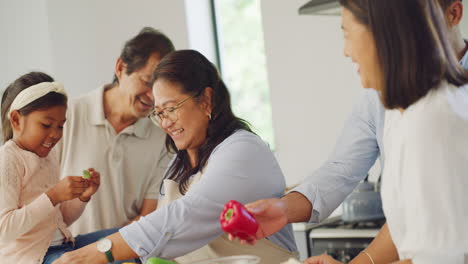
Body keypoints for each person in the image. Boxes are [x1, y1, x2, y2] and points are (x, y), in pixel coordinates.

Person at [241, 0, 468, 250]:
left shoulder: (435, 119)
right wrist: (284, 209)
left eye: (347, 33)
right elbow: (342, 170)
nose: (345, 52)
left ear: (388, 34)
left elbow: (439, 252)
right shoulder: (395, 109)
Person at [52, 49, 298, 264]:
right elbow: (161, 243)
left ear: (206, 100)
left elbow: (186, 216)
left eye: (170, 109)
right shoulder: (176, 165)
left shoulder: (242, 151)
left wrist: (100, 251)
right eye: (158, 113)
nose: (165, 122)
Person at [57, 27, 175, 236]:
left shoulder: (162, 139)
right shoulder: (68, 115)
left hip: (120, 255)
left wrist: (103, 252)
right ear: (121, 68)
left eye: (159, 88)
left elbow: (149, 216)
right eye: (147, 82)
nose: (152, 96)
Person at [0, 72, 113, 264]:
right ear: (17, 120)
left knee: (124, 238)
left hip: (64, 246)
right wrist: (53, 196)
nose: (55, 135)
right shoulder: (8, 159)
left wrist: (82, 196)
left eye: (60, 126)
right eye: (46, 125)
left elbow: (59, 221)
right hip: (33, 257)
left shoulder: (49, 156)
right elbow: (4, 230)